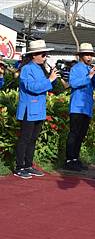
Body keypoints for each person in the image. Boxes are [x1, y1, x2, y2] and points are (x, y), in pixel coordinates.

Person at [14, 40, 58, 179]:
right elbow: (32, 87)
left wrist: (53, 77)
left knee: (33, 139)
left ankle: (28, 165)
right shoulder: (27, 69)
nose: (45, 57)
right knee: (25, 139)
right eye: (43, 54)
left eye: (46, 54)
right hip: (29, 108)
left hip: (38, 109)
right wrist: (49, 80)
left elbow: (47, 86)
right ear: (33, 55)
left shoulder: (39, 68)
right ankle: (19, 167)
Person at [64, 43, 95, 172]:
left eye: (91, 55)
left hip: (87, 106)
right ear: (81, 56)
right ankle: (69, 160)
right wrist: (89, 76)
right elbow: (73, 83)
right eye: (87, 54)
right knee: (74, 133)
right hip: (77, 106)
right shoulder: (76, 68)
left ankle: (75, 158)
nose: (89, 57)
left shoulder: (89, 68)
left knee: (81, 134)